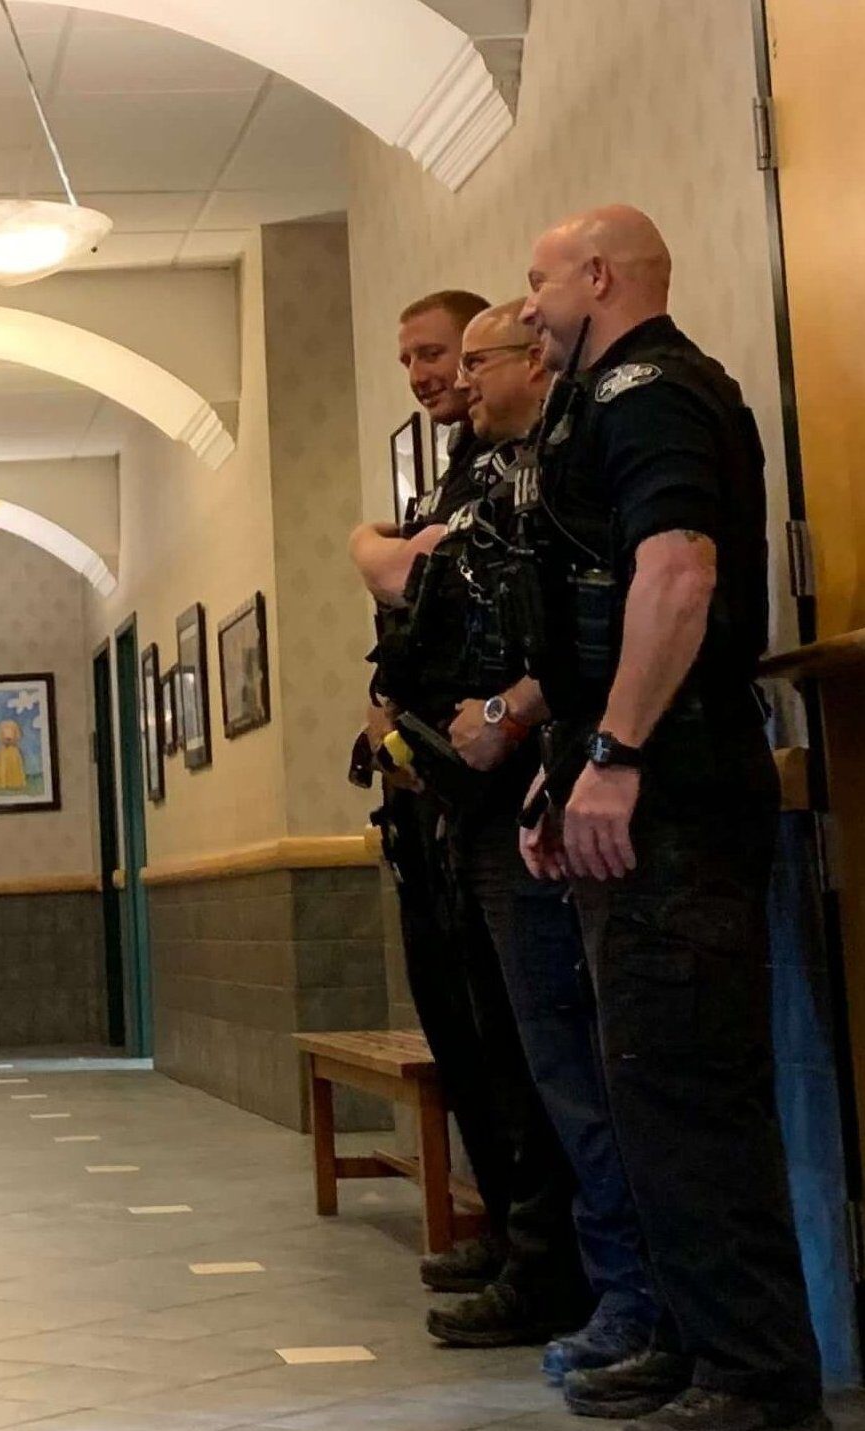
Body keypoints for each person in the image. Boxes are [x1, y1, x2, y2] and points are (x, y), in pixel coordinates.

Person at [517, 205, 825, 1430]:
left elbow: (679, 573)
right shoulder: (605, 401)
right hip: (636, 782)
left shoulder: (650, 390)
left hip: (681, 792)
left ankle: (755, 1377)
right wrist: (566, 763)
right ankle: (698, 1344)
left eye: (539, 281)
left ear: (598, 275)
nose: (529, 304)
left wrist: (619, 753)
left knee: (691, 1093)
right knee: (648, 1086)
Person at [398, 299, 658, 1382]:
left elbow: (602, 621)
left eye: (463, 358)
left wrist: (514, 720)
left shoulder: (580, 465)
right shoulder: (493, 476)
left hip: (559, 790)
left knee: (568, 1062)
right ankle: (564, 1267)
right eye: (426, 362)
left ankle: (605, 1292)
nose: (445, 379)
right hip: (506, 787)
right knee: (520, 1053)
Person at [347, 289, 586, 1347]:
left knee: (535, 1050)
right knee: (480, 1037)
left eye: (441, 355)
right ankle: (513, 1232)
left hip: (514, 784)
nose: (428, 376)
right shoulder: (463, 467)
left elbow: (401, 568)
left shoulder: (534, 471)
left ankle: (553, 1265)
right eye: (411, 360)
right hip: (446, 796)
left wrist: (370, 544)